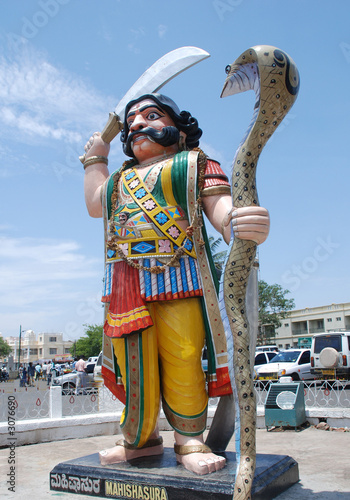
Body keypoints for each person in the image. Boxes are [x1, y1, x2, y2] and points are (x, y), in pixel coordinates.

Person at [83, 94, 269, 475]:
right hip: (126, 280)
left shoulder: (195, 164)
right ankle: (140, 439)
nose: (136, 124)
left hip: (179, 276)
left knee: (183, 355)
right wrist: (95, 158)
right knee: (132, 362)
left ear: (180, 131)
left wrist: (238, 222)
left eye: (151, 116)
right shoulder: (119, 179)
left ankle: (189, 440)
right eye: (132, 119)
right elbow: (95, 204)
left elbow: (220, 209)